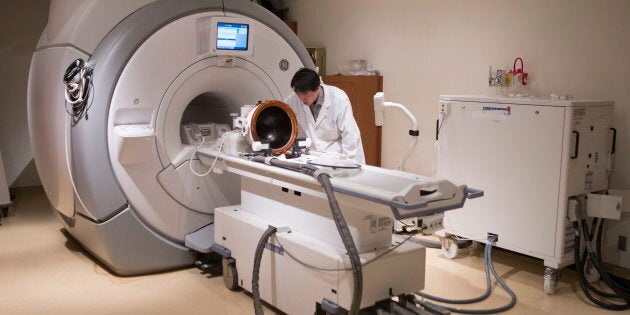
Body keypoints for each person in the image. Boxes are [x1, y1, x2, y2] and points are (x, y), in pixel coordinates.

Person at [285, 68, 365, 164]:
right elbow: (280, 115)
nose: (302, 98)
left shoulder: (339, 99)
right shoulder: (294, 100)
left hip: (337, 155)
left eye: (306, 94)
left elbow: (349, 134)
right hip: (312, 156)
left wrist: (348, 163)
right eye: (298, 94)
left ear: (318, 88)